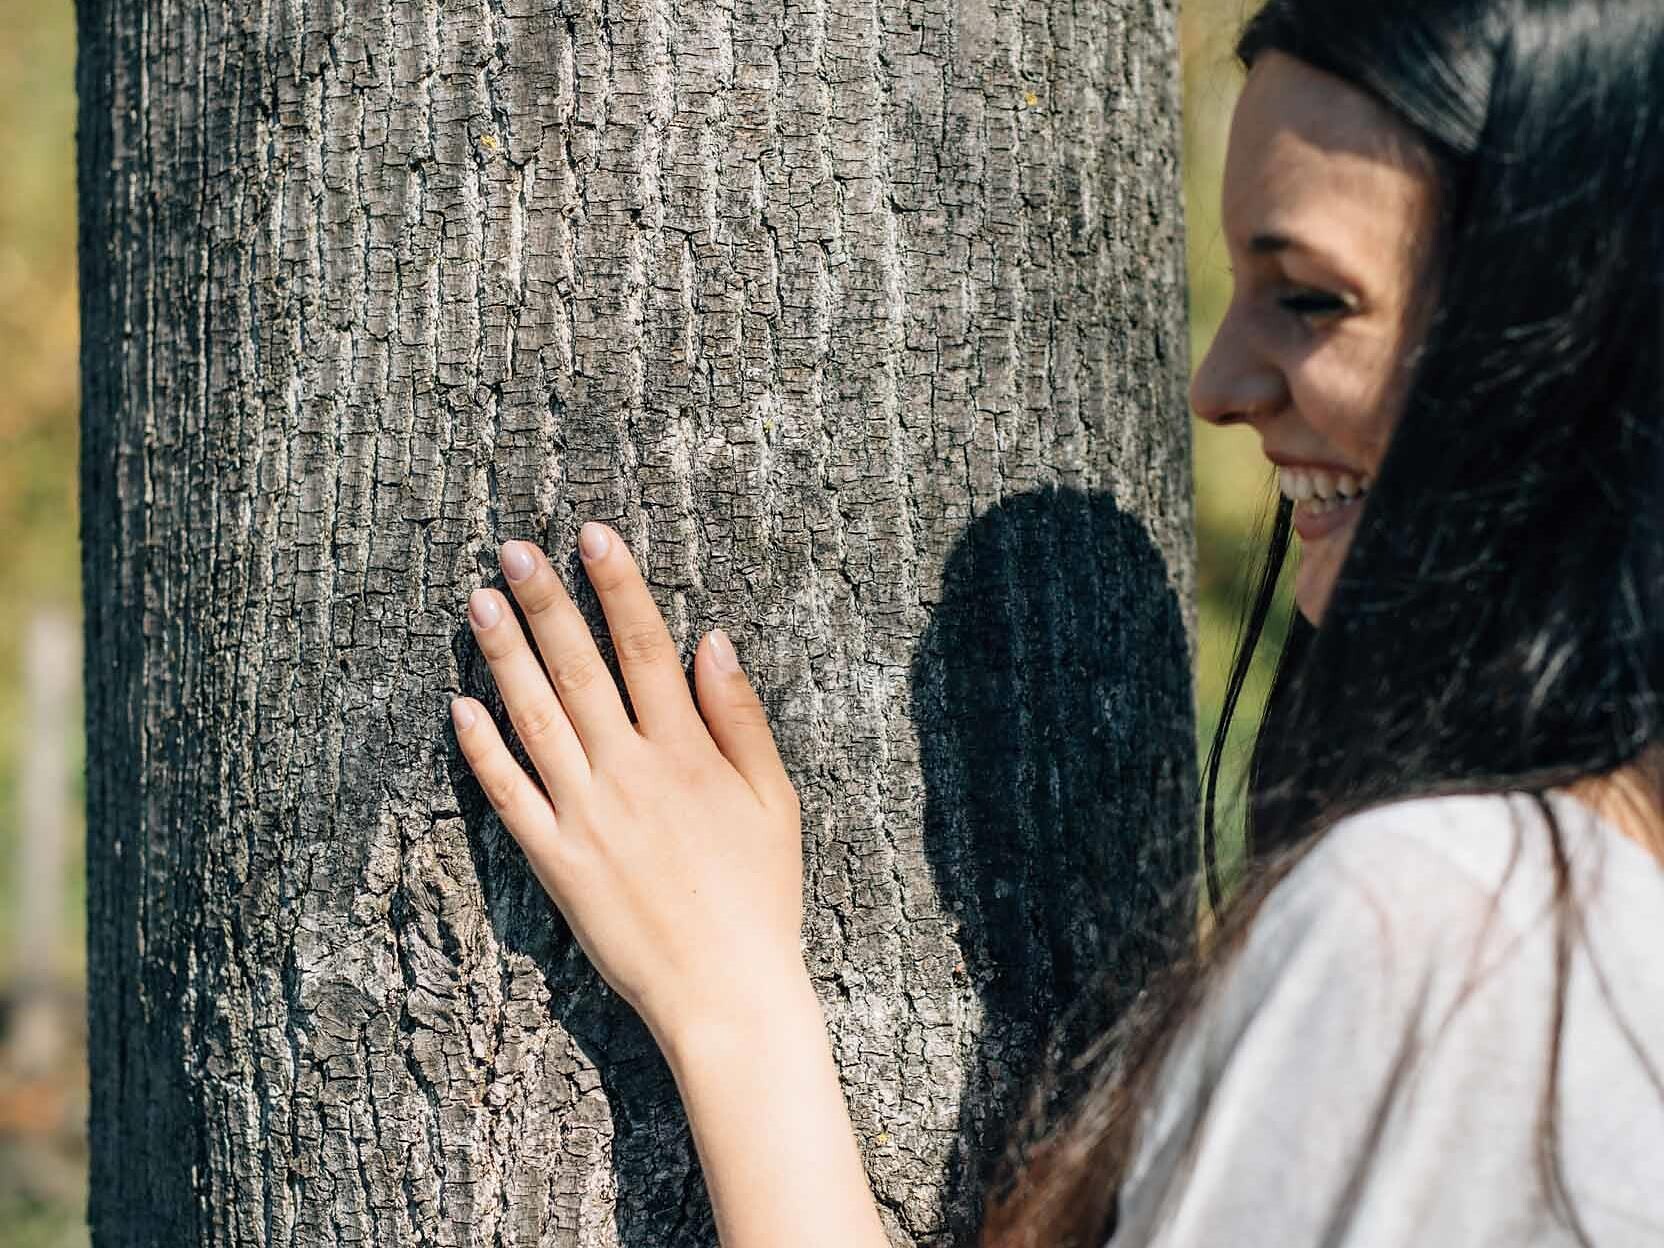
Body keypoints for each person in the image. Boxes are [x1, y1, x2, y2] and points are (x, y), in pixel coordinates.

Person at [445, 0, 1664, 1243]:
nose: (1217, 383)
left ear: (1566, 329)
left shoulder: (1445, 925)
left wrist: (730, 1004)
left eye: (1305, 299)